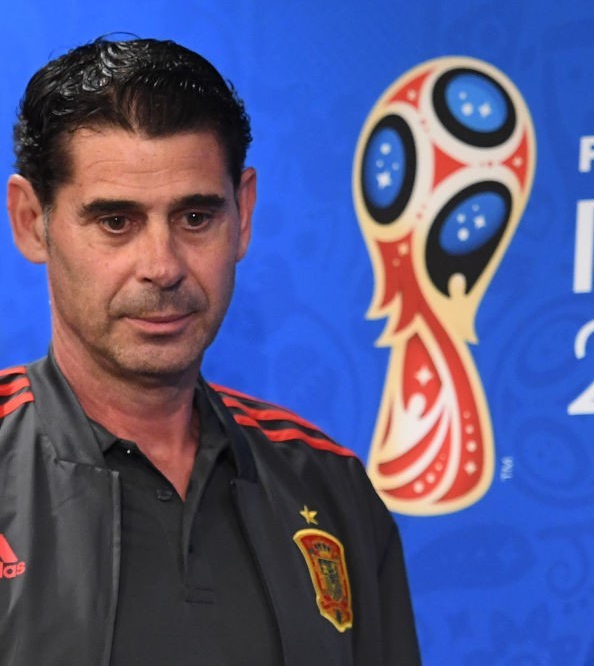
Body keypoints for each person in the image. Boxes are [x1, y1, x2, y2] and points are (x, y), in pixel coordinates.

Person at [0, 37, 421, 665]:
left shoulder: (329, 486)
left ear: (243, 213)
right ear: (32, 221)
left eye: (195, 218)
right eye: (116, 221)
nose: (163, 265)